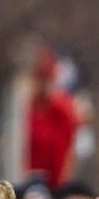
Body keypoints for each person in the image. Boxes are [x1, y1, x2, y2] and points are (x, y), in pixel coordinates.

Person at [27, 47, 81, 190]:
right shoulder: (26, 109)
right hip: (27, 177)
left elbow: (66, 148)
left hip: (54, 181)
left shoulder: (62, 110)